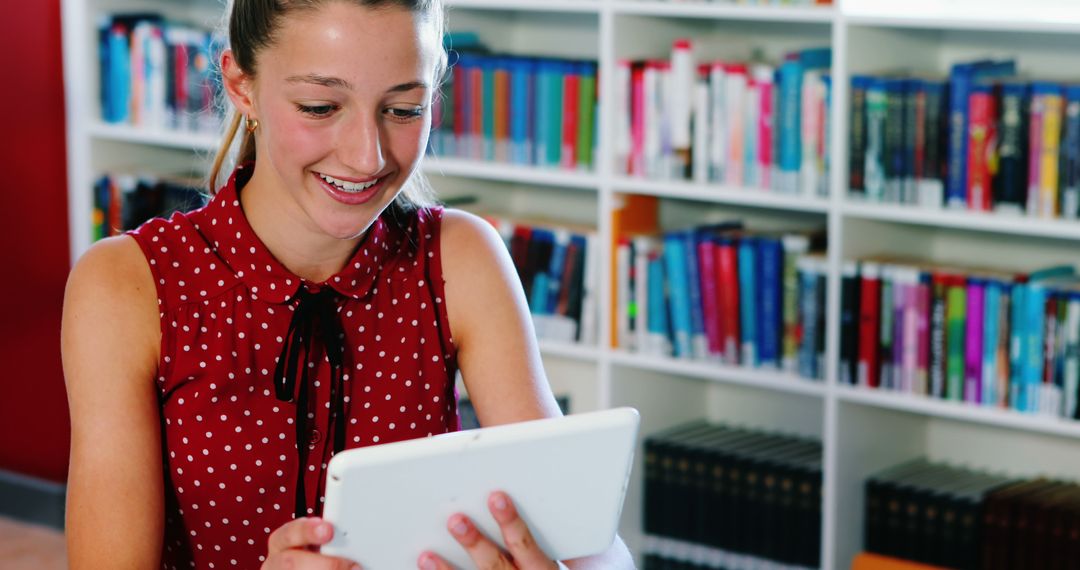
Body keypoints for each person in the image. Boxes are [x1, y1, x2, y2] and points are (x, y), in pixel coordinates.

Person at [61, 0, 635, 568]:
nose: (368, 156)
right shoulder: (125, 286)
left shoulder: (461, 257)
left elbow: (590, 540)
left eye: (405, 109)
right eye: (319, 106)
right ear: (241, 84)